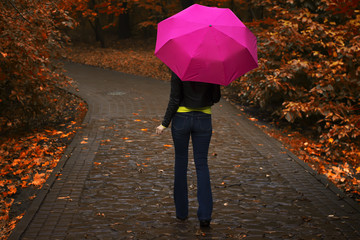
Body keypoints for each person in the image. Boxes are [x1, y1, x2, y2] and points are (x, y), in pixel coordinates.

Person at [156, 71, 221, 228]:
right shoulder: (212, 68)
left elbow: (175, 99)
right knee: (201, 164)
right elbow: (216, 98)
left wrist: (164, 123)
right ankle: (205, 217)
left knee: (180, 163)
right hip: (204, 120)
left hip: (181, 120)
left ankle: (182, 213)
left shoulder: (179, 68)